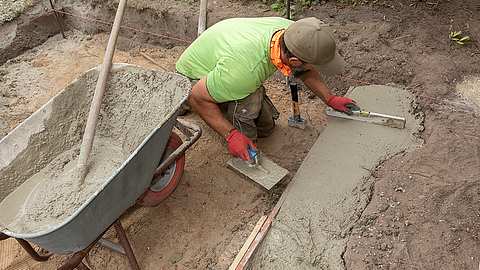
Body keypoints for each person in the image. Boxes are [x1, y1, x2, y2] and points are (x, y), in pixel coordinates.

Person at [176, 17, 358, 161]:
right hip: (190, 79)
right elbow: (196, 96)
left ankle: (223, 101)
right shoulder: (245, 72)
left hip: (226, 58)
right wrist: (231, 135)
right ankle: (185, 103)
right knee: (248, 96)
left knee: (266, 127)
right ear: (293, 61)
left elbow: (304, 69)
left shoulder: (295, 33)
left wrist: (330, 98)